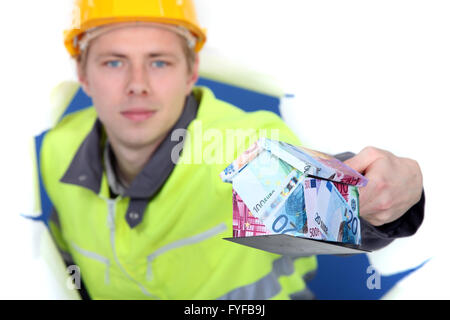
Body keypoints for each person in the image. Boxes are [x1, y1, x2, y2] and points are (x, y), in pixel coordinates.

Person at [41, 0, 424, 300]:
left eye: (159, 62)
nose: (137, 84)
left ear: (191, 73)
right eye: (113, 62)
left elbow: (340, 207)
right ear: (83, 76)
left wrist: (379, 202)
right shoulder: (58, 149)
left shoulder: (243, 150)